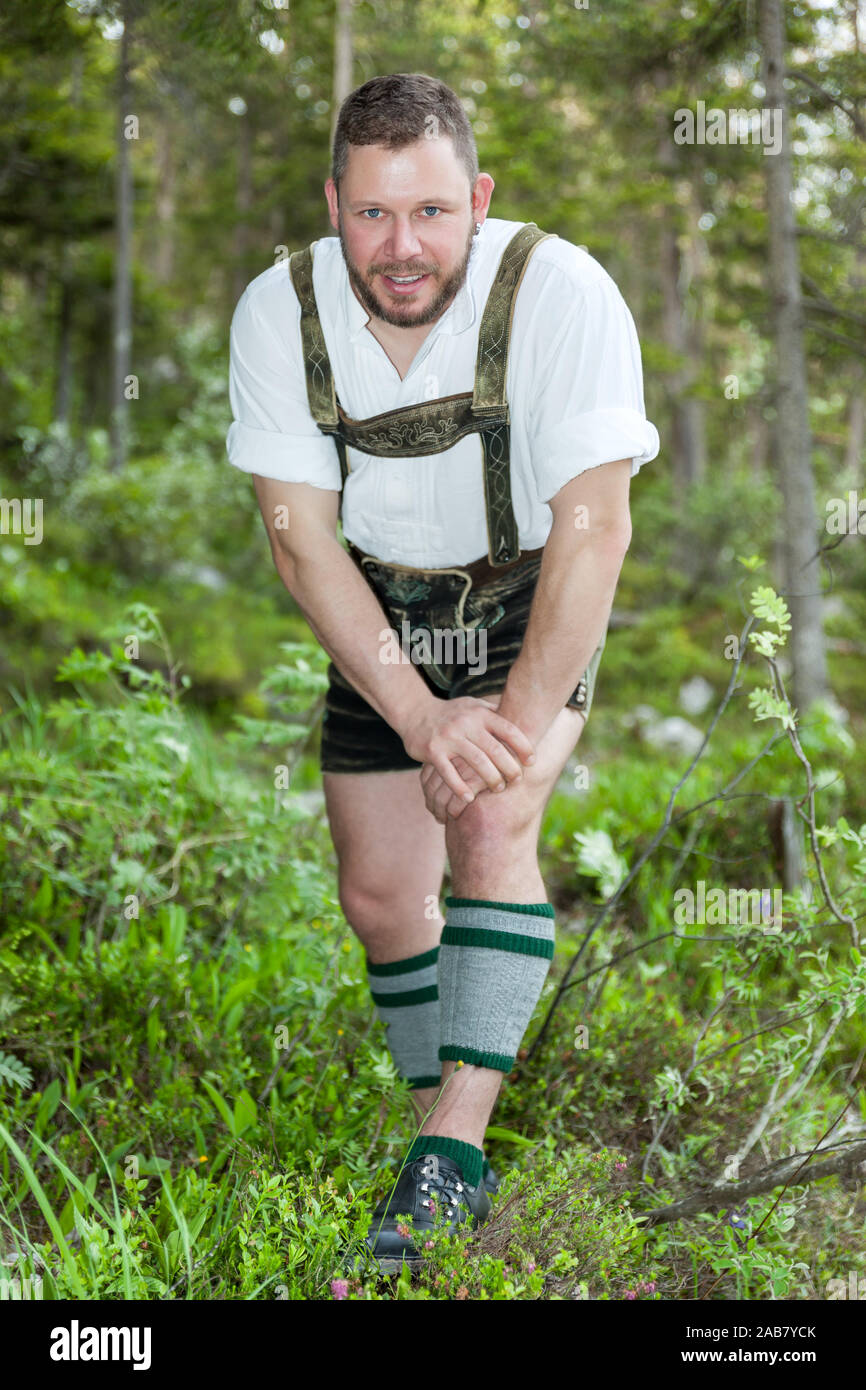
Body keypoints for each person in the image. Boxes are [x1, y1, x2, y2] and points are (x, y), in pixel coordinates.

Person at [226, 71, 660, 1275]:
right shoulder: (282, 310)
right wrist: (417, 715)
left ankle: (448, 1161)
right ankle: (439, 1106)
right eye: (371, 214)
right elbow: (297, 537)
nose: (400, 246)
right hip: (381, 611)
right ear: (333, 204)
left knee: (492, 819)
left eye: (427, 212)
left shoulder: (560, 293)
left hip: (531, 593)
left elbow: (595, 529)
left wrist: (501, 730)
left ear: (475, 196)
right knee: (378, 896)